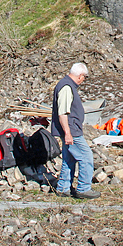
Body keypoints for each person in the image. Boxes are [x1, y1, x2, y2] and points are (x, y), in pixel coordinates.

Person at [50, 62, 99, 199]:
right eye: (85, 77)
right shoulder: (66, 87)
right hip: (71, 131)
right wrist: (68, 133)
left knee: (69, 158)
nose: (84, 80)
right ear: (80, 75)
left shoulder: (65, 85)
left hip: (70, 130)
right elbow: (63, 113)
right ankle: (83, 188)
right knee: (86, 156)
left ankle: (63, 188)